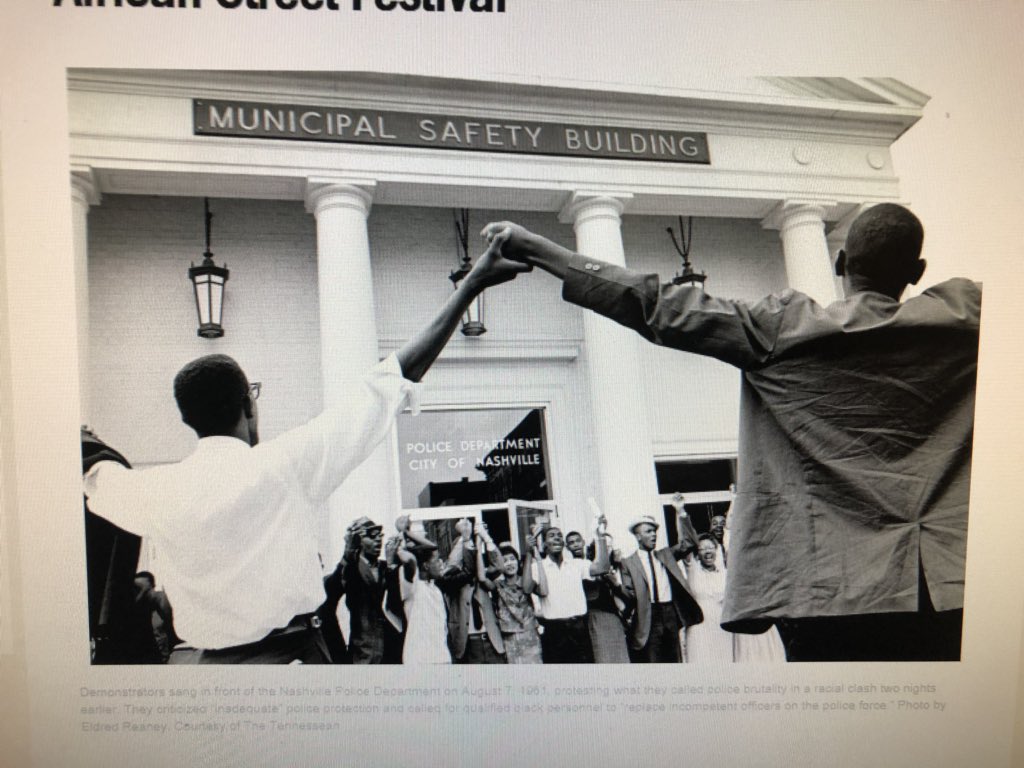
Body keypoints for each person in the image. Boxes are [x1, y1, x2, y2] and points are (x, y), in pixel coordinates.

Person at [483, 203, 980, 661]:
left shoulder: (785, 329)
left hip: (827, 592)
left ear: (841, 262)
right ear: (917, 272)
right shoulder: (965, 321)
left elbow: (655, 305)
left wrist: (536, 247)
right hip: (950, 583)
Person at [81, 235, 529, 664]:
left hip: (208, 672)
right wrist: (471, 284)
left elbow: (95, 475)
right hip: (294, 662)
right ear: (248, 405)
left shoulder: (154, 490)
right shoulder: (284, 464)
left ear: (185, 419)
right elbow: (393, 377)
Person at [618, 514, 704, 663]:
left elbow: (690, 542)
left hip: (670, 611)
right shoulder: (628, 563)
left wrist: (681, 512)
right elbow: (629, 595)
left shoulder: (666, 554)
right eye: (648, 531)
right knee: (654, 660)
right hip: (648, 615)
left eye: (654, 531)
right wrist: (615, 584)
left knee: (674, 659)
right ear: (638, 536)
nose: (653, 535)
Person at [526, 514, 610, 663]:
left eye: (559, 535)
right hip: (554, 632)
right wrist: (529, 550)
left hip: (579, 629)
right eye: (552, 536)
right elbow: (527, 588)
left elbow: (602, 567)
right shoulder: (537, 567)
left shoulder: (576, 564)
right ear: (544, 544)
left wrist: (600, 535)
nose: (557, 538)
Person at [475, 528, 544, 664]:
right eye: (505, 561)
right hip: (509, 637)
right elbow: (482, 578)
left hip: (530, 635)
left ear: (518, 561)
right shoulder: (498, 585)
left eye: (512, 559)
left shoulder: (526, 581)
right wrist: (479, 544)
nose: (509, 563)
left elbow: (542, 591)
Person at [445, 519, 506, 664]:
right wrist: (465, 539)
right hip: (467, 644)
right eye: (465, 551)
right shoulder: (450, 581)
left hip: (492, 641)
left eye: (471, 550)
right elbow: (453, 564)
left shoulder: (482, 576)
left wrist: (486, 539)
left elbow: (499, 566)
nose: (469, 555)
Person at [684, 538, 734, 664]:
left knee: (725, 662)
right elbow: (685, 540)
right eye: (702, 549)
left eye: (710, 547)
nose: (707, 552)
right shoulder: (692, 571)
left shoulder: (726, 574)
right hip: (700, 628)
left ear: (716, 550)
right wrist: (682, 517)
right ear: (697, 554)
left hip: (721, 626)